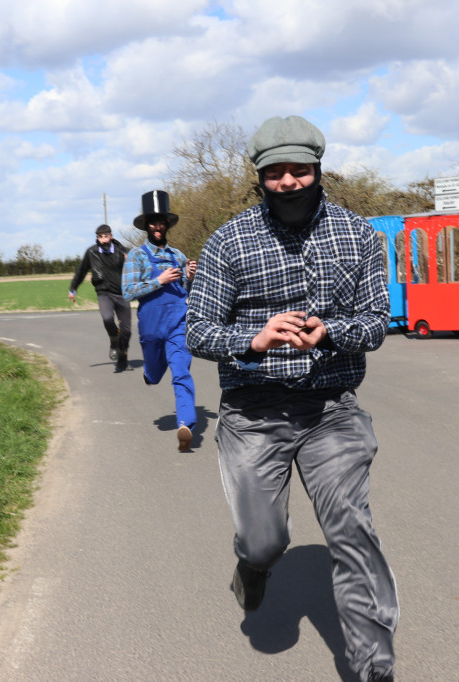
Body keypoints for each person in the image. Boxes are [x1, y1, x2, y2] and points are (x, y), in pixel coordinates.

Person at [185, 115, 397, 682]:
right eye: (275, 172)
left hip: (332, 411)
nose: (288, 182)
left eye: (298, 170)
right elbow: (198, 331)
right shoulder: (229, 241)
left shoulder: (358, 235)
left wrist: (331, 331)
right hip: (253, 415)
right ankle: (252, 567)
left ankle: (374, 668)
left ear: (317, 170)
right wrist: (251, 340)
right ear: (259, 178)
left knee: (352, 534)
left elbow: (377, 320)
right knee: (263, 541)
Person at [122, 190, 198, 451]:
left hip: (178, 322)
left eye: (161, 222)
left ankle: (186, 424)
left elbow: (185, 290)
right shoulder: (137, 256)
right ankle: (149, 372)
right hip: (151, 326)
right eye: (153, 222)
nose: (157, 226)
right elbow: (128, 291)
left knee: (181, 371)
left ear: (167, 224)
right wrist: (159, 280)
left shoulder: (177, 255)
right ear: (146, 225)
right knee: (155, 375)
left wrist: (188, 275)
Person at [68, 224, 131, 372]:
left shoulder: (124, 252)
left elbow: (138, 268)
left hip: (122, 294)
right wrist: (73, 289)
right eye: (100, 237)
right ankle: (114, 340)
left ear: (111, 236)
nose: (103, 240)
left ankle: (123, 355)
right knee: (108, 318)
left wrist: (129, 260)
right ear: (97, 238)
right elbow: (81, 271)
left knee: (127, 330)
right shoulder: (92, 252)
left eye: (105, 236)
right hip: (104, 293)